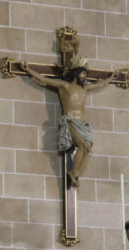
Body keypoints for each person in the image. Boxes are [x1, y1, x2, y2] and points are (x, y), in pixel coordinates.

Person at [19, 59, 120, 187]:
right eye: (82, 74)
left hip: (82, 123)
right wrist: (28, 69)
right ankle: (74, 173)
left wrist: (110, 78)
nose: (85, 77)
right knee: (83, 145)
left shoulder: (84, 88)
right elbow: (44, 80)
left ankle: (75, 173)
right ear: (75, 73)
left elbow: (98, 85)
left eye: (85, 74)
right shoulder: (64, 86)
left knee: (88, 149)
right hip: (71, 120)